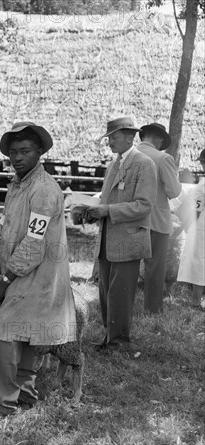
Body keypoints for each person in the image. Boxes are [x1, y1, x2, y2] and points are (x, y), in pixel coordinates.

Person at [0, 122, 76, 417]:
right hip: (20, 270)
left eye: (25, 151)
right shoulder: (18, 186)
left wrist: (6, 279)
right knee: (27, 332)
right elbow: (7, 228)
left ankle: (5, 403)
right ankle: (26, 397)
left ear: (40, 153)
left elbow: (34, 241)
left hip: (38, 274)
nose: (17, 157)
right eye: (13, 153)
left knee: (6, 336)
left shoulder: (43, 190)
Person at [86, 116, 156, 350]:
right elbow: (108, 200)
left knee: (121, 293)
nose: (109, 142)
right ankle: (110, 336)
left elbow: (144, 206)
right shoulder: (114, 164)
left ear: (129, 137)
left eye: (113, 137)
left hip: (129, 239)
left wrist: (106, 210)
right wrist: (90, 211)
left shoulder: (144, 163)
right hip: (108, 238)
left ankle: (119, 341)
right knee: (106, 291)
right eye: (109, 138)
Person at [136, 123, 182, 314]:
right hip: (156, 220)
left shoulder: (128, 155)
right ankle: (152, 308)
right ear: (160, 139)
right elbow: (174, 191)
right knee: (154, 268)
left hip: (130, 219)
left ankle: (124, 304)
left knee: (128, 265)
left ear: (144, 136)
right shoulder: (164, 158)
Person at [176, 149, 205, 310]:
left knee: (199, 261)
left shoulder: (202, 186)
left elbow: (196, 210)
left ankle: (195, 300)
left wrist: (186, 225)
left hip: (201, 227)